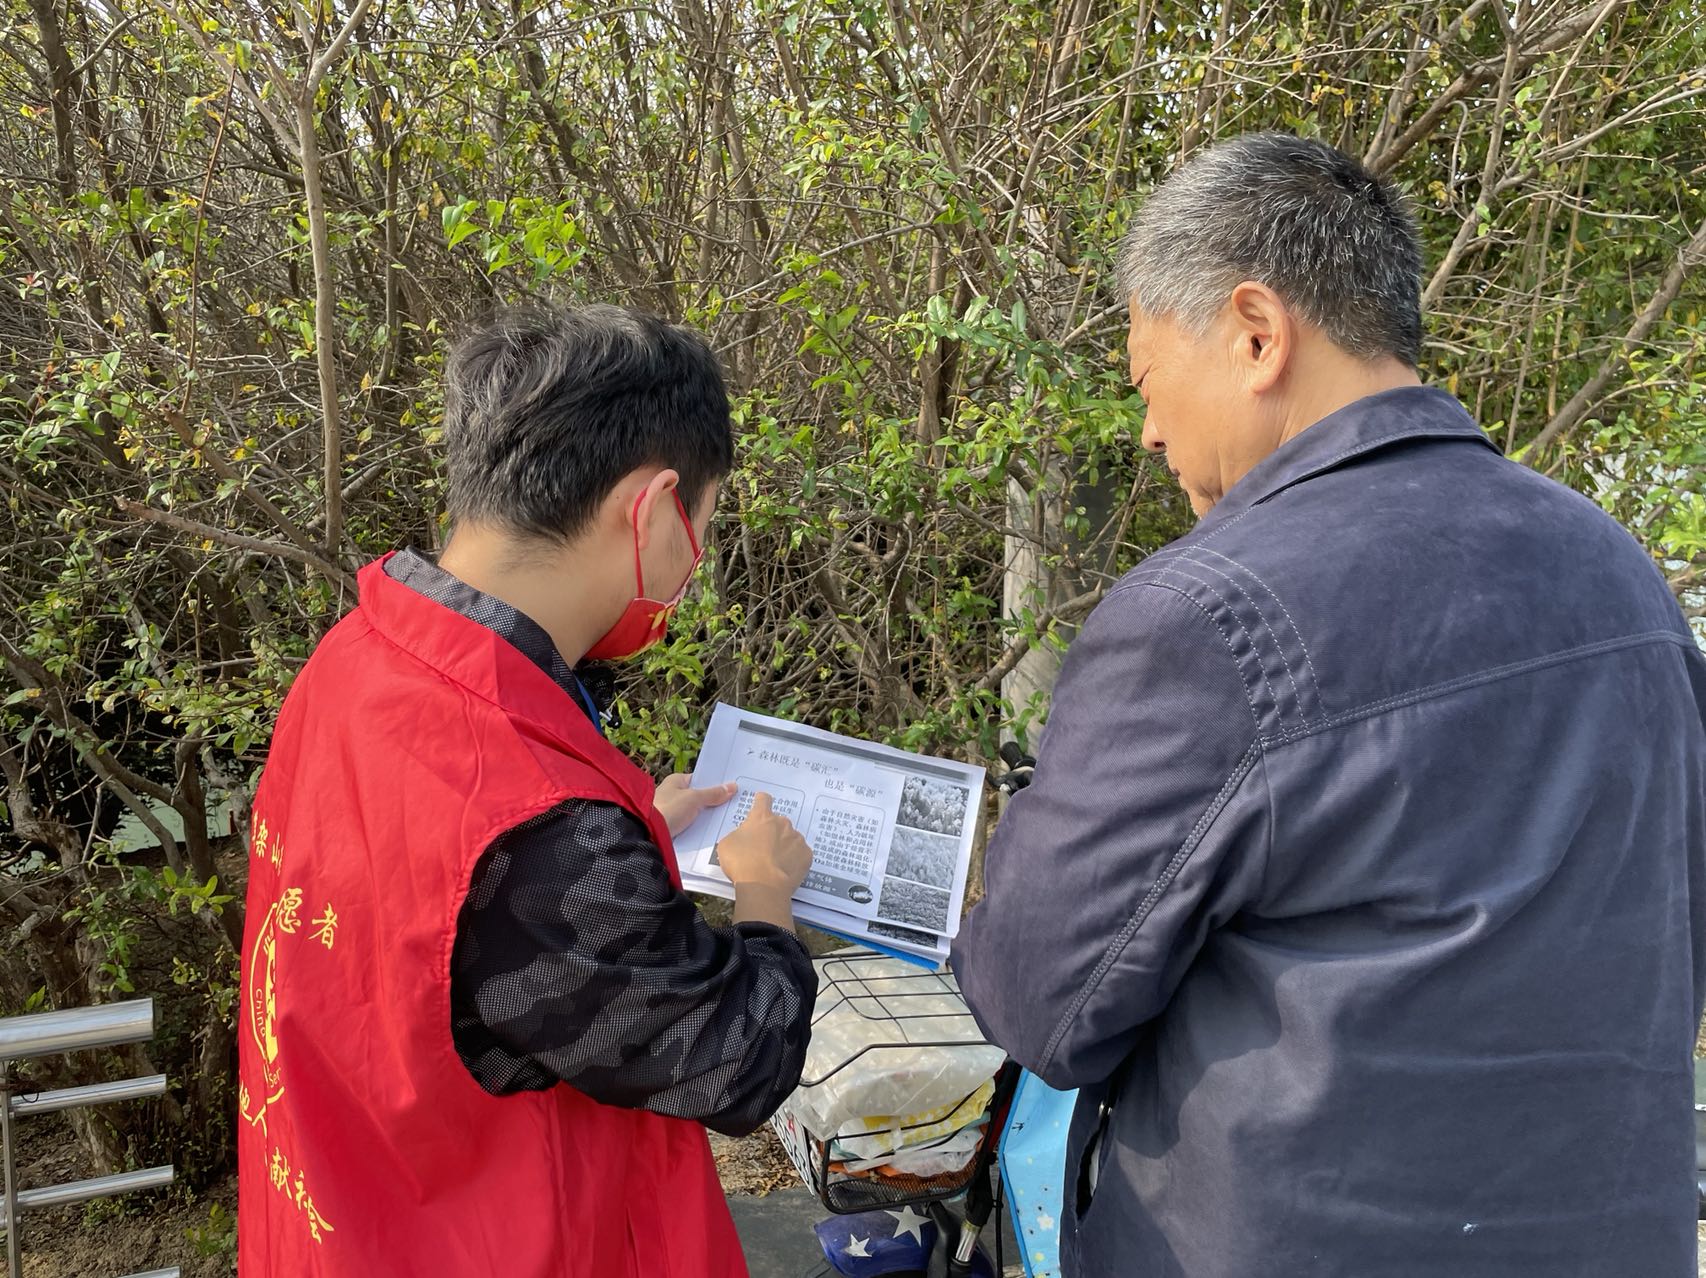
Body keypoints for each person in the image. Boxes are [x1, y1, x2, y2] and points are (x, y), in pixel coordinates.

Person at [952, 132, 1706, 1276]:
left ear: (1255, 334)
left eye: (1146, 381)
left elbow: (1034, 998)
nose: (1147, 430)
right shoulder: (1621, 577)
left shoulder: (1201, 618)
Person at [237, 304, 817, 1278]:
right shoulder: (542, 828)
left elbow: (434, 889)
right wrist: (765, 894)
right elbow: (736, 1059)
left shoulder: (359, 653)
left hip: (346, 1223)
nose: (695, 561)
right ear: (651, 508)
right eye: (703, 526)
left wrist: (629, 829)